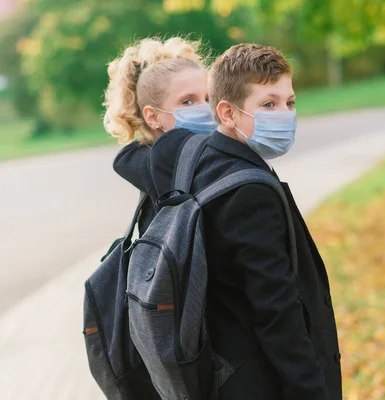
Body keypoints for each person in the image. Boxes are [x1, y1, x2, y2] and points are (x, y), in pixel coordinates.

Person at [180, 43, 342, 399]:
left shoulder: (203, 161)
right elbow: (277, 312)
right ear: (227, 113)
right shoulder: (248, 192)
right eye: (268, 104)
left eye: (290, 102)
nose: (284, 114)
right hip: (263, 384)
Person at [103, 36, 214, 233]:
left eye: (208, 98)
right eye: (187, 101)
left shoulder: (139, 161)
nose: (206, 108)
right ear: (153, 117)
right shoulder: (165, 169)